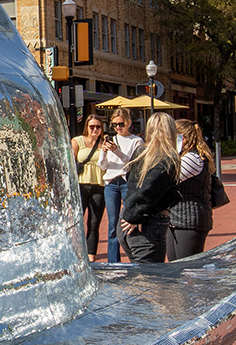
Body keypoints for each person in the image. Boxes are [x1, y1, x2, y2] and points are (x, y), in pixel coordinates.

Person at [120, 113, 181, 264]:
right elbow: (149, 190)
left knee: (142, 278)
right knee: (150, 280)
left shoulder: (142, 152)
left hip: (129, 221)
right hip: (147, 224)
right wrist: (135, 215)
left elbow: (131, 182)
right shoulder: (167, 158)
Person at [167, 119, 215, 260]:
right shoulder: (183, 156)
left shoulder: (193, 158)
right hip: (175, 218)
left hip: (189, 220)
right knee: (174, 265)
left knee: (187, 268)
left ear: (184, 138)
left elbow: (168, 179)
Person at [99, 109, 142, 263]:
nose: (118, 127)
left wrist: (116, 151)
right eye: (115, 125)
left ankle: (134, 257)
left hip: (126, 182)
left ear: (128, 123)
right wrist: (104, 152)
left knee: (128, 221)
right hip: (111, 183)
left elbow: (132, 164)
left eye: (121, 124)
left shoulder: (136, 141)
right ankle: (113, 262)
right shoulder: (111, 140)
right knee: (112, 225)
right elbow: (102, 165)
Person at [71, 114, 107, 259]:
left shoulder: (104, 142)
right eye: (92, 126)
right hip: (81, 185)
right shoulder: (77, 141)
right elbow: (70, 164)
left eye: (98, 127)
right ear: (87, 126)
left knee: (94, 223)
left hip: (99, 185)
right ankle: (77, 254)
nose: (95, 129)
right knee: (77, 221)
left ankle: (91, 256)